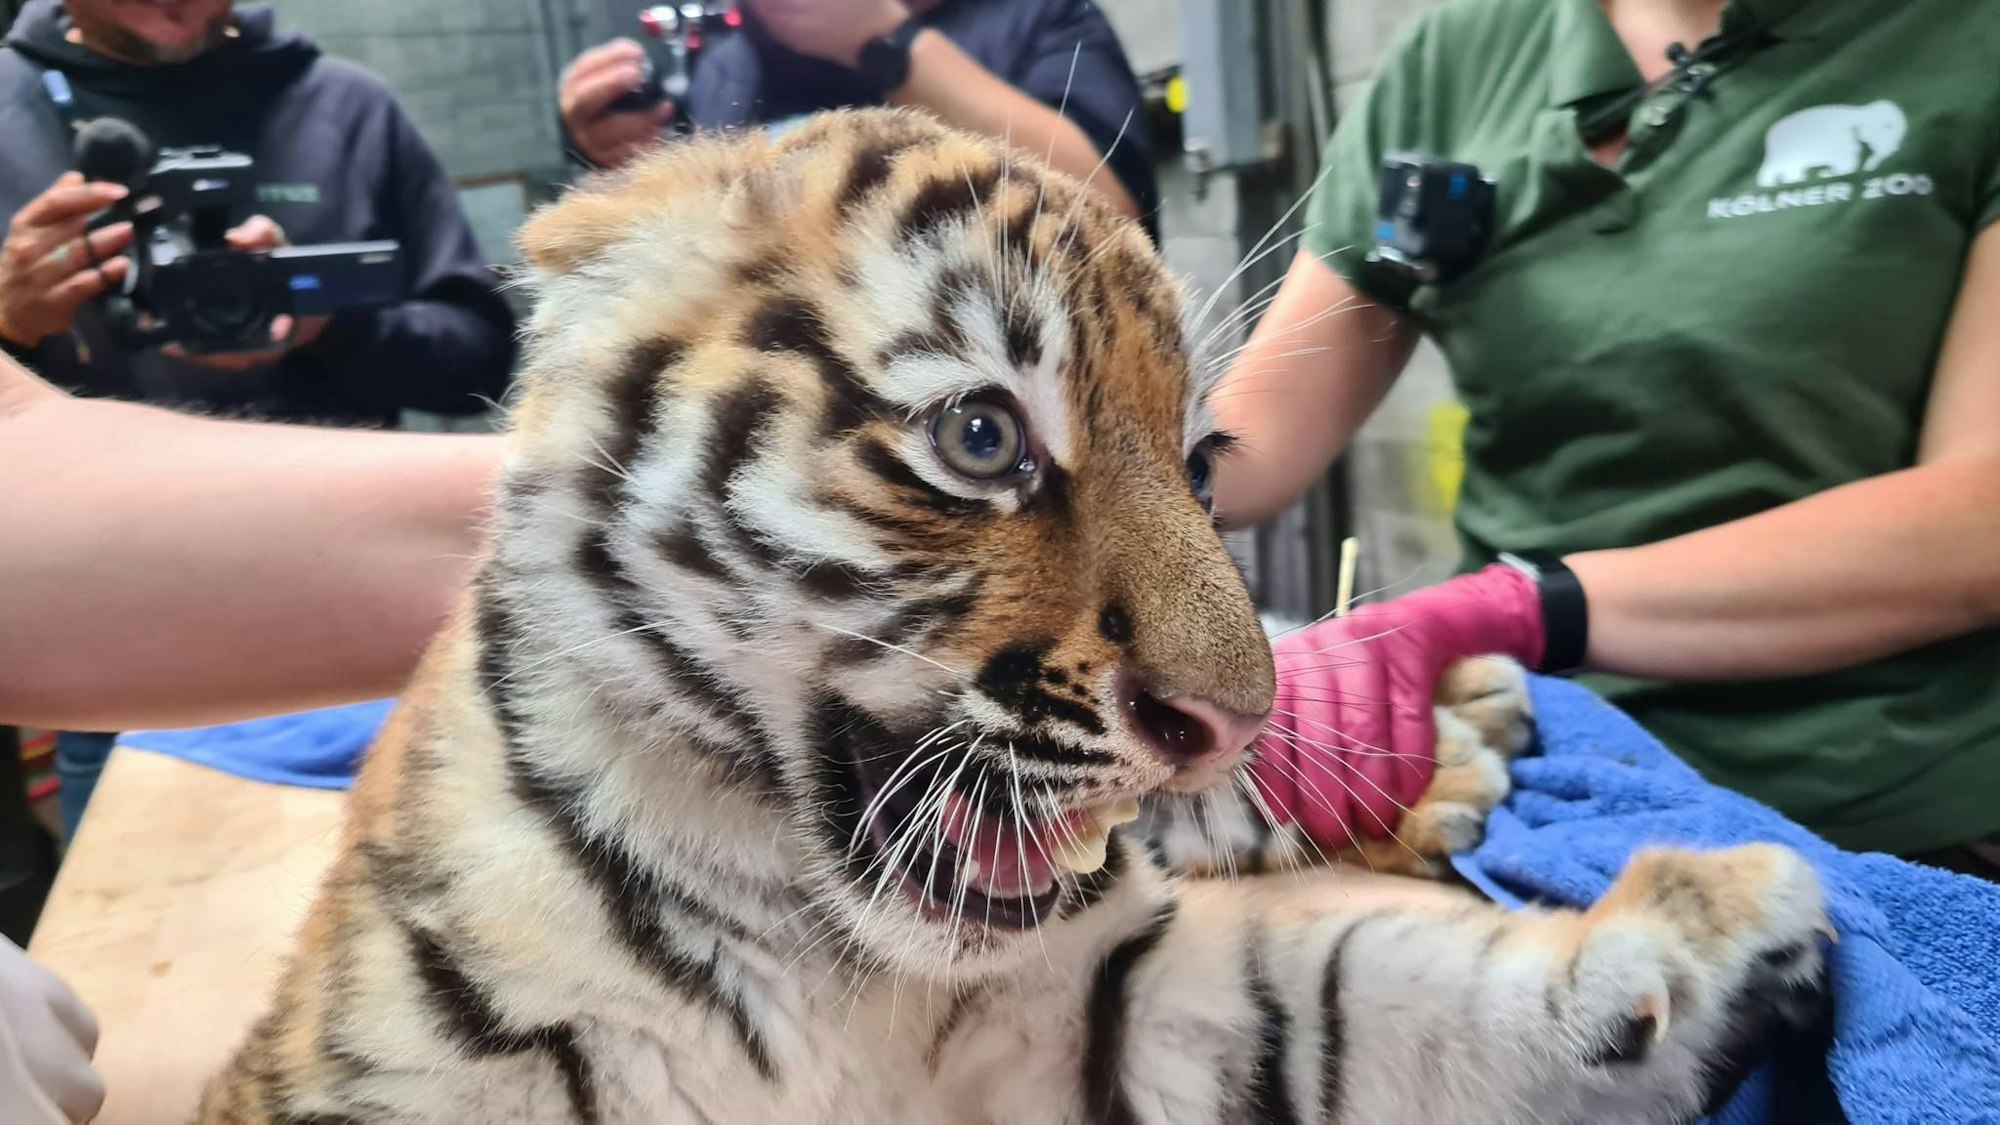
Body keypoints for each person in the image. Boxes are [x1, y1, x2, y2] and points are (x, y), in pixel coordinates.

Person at [1225, 0, 2000, 874]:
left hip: (1881, 809)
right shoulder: (1462, 52)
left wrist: (1520, 605)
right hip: (1522, 777)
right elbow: (1250, 447)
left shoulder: (1967, 43)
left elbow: (1983, 522)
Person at [0, 0, 519, 835]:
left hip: (382, 665)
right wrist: (11, 322)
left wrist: (330, 325)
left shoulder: (347, 107)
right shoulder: (9, 115)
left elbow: (481, 363)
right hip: (114, 685)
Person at [558, 0, 1158, 232]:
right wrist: (609, 154)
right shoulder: (727, 66)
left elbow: (1111, 216)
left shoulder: (1037, 17)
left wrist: (885, 44)